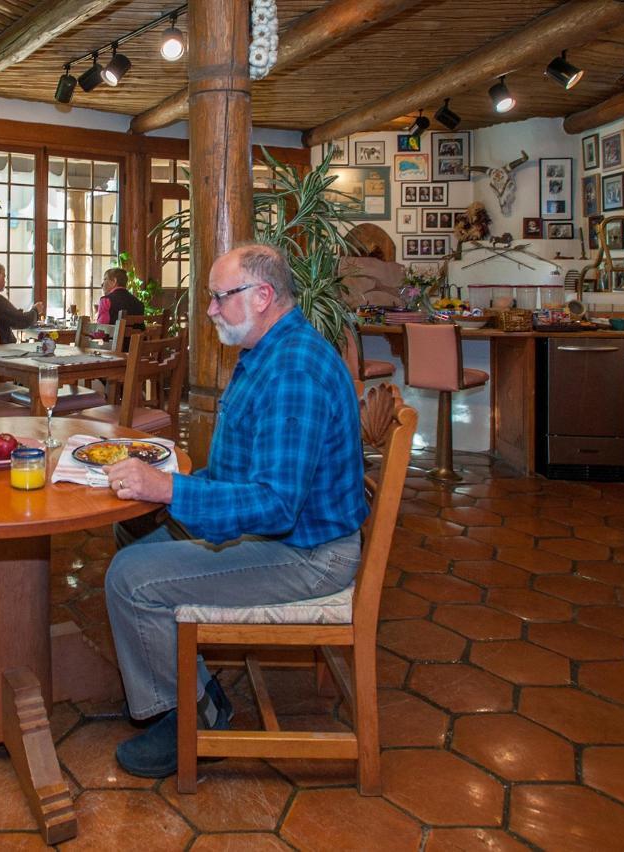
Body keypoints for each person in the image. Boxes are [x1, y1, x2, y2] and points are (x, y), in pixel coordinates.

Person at [101, 244, 368, 778]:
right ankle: (181, 679)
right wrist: (168, 490)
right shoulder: (269, 351)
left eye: (221, 298)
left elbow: (274, 504)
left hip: (308, 554)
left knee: (131, 577)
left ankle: (197, 716)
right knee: (132, 534)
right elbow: (246, 476)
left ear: (263, 296)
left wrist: (171, 490)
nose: (211, 310)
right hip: (293, 537)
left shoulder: (294, 370)